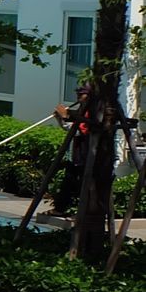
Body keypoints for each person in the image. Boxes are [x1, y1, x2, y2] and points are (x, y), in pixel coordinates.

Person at [52, 86, 93, 215]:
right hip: (77, 156)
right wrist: (60, 118)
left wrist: (64, 117)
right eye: (77, 94)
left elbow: (79, 132)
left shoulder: (92, 112)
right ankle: (59, 209)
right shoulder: (81, 110)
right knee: (68, 183)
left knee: (83, 186)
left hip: (87, 155)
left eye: (81, 94)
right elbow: (71, 128)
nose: (78, 97)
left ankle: (84, 214)